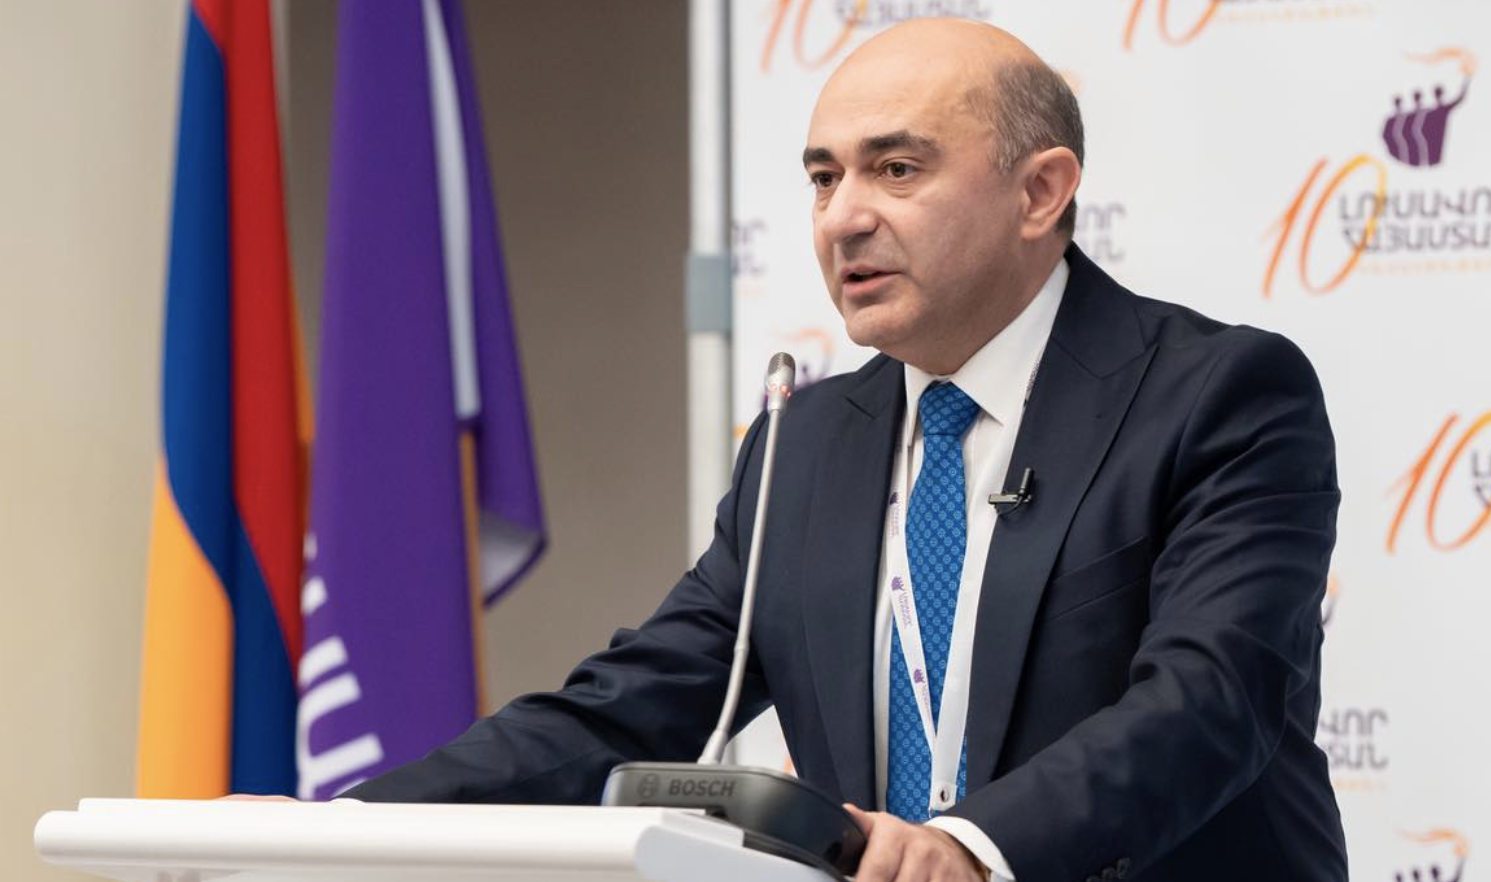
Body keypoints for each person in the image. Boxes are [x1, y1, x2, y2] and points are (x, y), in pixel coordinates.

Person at [345, 18, 1348, 882]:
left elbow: (1211, 700)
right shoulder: (805, 445)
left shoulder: (1218, 397)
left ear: (1040, 192)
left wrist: (969, 847)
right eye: (824, 178)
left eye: (896, 169)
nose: (843, 218)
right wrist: (347, 827)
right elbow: (627, 711)